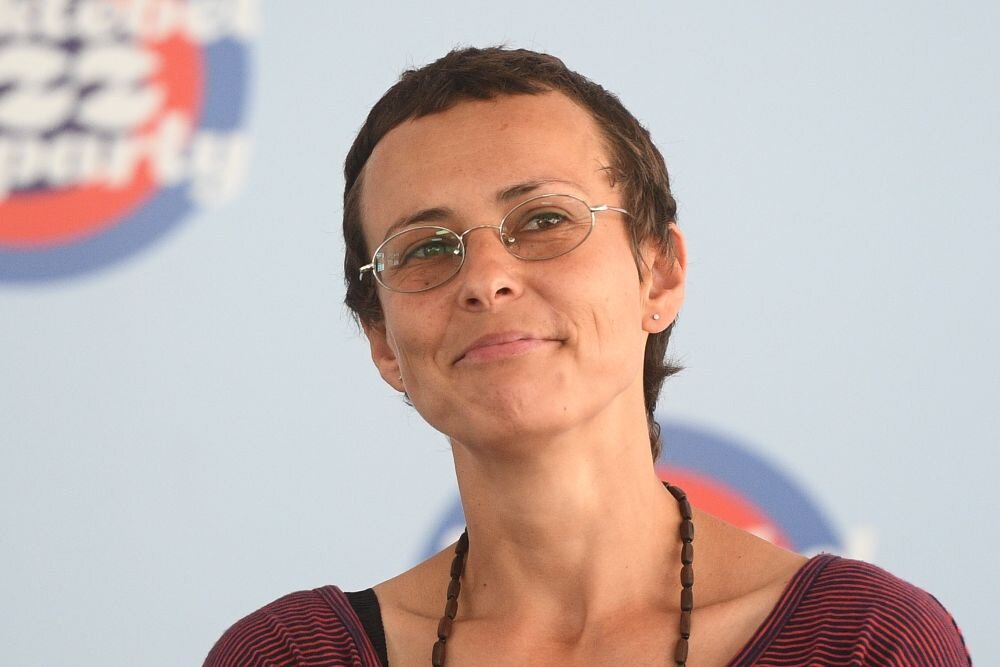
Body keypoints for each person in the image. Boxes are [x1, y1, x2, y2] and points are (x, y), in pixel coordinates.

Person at [204, 47, 970, 666]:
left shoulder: (866, 642)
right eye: (426, 248)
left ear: (659, 273)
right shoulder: (287, 656)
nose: (486, 279)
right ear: (383, 341)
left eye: (543, 219)